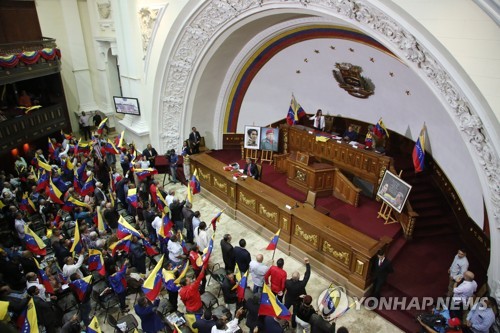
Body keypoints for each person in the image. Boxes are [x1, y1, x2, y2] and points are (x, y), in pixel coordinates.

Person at [285, 257, 311, 329]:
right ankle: (293, 325)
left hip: (289, 298)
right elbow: (307, 275)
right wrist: (307, 264)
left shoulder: (287, 282)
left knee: (284, 308)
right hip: (297, 300)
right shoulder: (302, 284)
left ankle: (280, 317)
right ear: (299, 278)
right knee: (295, 313)